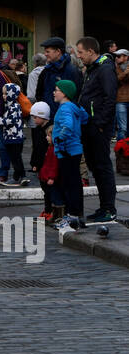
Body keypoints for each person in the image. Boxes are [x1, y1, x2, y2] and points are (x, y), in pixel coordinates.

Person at [76, 36, 118, 223]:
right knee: (95, 167)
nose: (79, 56)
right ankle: (103, 207)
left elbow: (110, 98)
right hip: (89, 125)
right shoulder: (92, 70)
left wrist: (100, 123)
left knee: (103, 167)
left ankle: (109, 209)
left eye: (81, 52)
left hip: (98, 127)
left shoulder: (105, 68)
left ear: (91, 51)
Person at [51, 78, 88, 230]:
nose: (54, 92)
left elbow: (68, 125)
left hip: (66, 151)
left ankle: (71, 216)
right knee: (75, 183)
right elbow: (85, 118)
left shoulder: (65, 108)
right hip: (74, 150)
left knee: (69, 184)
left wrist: (60, 139)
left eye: (57, 90)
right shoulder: (73, 106)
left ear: (65, 94)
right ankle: (77, 215)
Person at [36, 37, 81, 118]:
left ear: (58, 51)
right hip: (47, 119)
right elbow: (39, 94)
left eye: (47, 51)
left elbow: (77, 97)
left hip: (65, 119)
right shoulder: (46, 71)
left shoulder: (72, 71)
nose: (45, 54)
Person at [29, 101, 60, 221]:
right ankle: (47, 210)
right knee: (45, 190)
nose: (34, 120)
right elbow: (36, 148)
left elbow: (50, 153)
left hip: (49, 165)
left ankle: (51, 210)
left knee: (50, 190)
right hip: (42, 165)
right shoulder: (37, 130)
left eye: (35, 117)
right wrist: (35, 163)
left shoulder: (50, 130)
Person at [0, 81, 29, 186]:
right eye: (3, 94)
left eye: (6, 94)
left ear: (11, 94)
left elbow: (8, 121)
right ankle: (22, 176)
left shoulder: (14, 107)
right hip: (12, 137)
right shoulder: (10, 106)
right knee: (16, 158)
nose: (3, 96)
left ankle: (17, 177)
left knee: (15, 158)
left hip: (14, 137)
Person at [114, 49, 129, 141]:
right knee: (122, 128)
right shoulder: (115, 68)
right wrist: (125, 73)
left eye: (119, 56)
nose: (116, 58)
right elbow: (115, 81)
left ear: (126, 57)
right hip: (120, 100)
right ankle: (120, 150)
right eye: (116, 56)